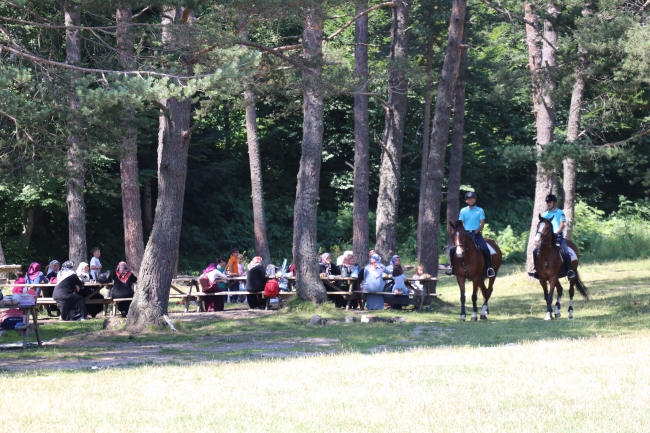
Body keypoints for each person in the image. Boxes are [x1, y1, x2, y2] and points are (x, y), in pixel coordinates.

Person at [446, 191, 496, 278]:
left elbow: (482, 224)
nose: (471, 200)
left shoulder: (480, 210)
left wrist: (475, 232)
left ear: (475, 199)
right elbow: (461, 223)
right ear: (466, 201)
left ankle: (489, 268)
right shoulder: (463, 210)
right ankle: (453, 268)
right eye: (469, 199)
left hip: (476, 233)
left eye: (472, 198)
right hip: (465, 234)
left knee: (485, 248)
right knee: (452, 249)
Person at [529, 194, 576, 280]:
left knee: (566, 252)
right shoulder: (545, 214)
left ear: (554, 202)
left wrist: (557, 233)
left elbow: (562, 225)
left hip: (557, 237)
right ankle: (537, 271)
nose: (548, 204)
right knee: (535, 251)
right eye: (547, 202)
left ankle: (569, 270)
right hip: (546, 239)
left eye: (550, 202)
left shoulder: (560, 212)